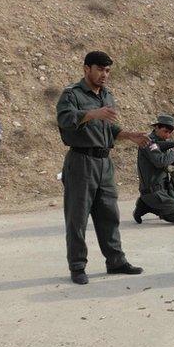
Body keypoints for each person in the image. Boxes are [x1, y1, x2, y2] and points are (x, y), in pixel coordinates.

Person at [55, 50, 150, 285]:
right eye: (99, 69)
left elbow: (109, 129)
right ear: (86, 69)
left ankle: (116, 261)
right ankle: (77, 266)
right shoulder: (72, 95)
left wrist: (129, 135)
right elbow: (65, 120)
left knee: (109, 214)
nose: (104, 75)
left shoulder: (107, 96)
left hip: (104, 162)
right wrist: (92, 113)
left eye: (107, 71)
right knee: (77, 218)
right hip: (81, 161)